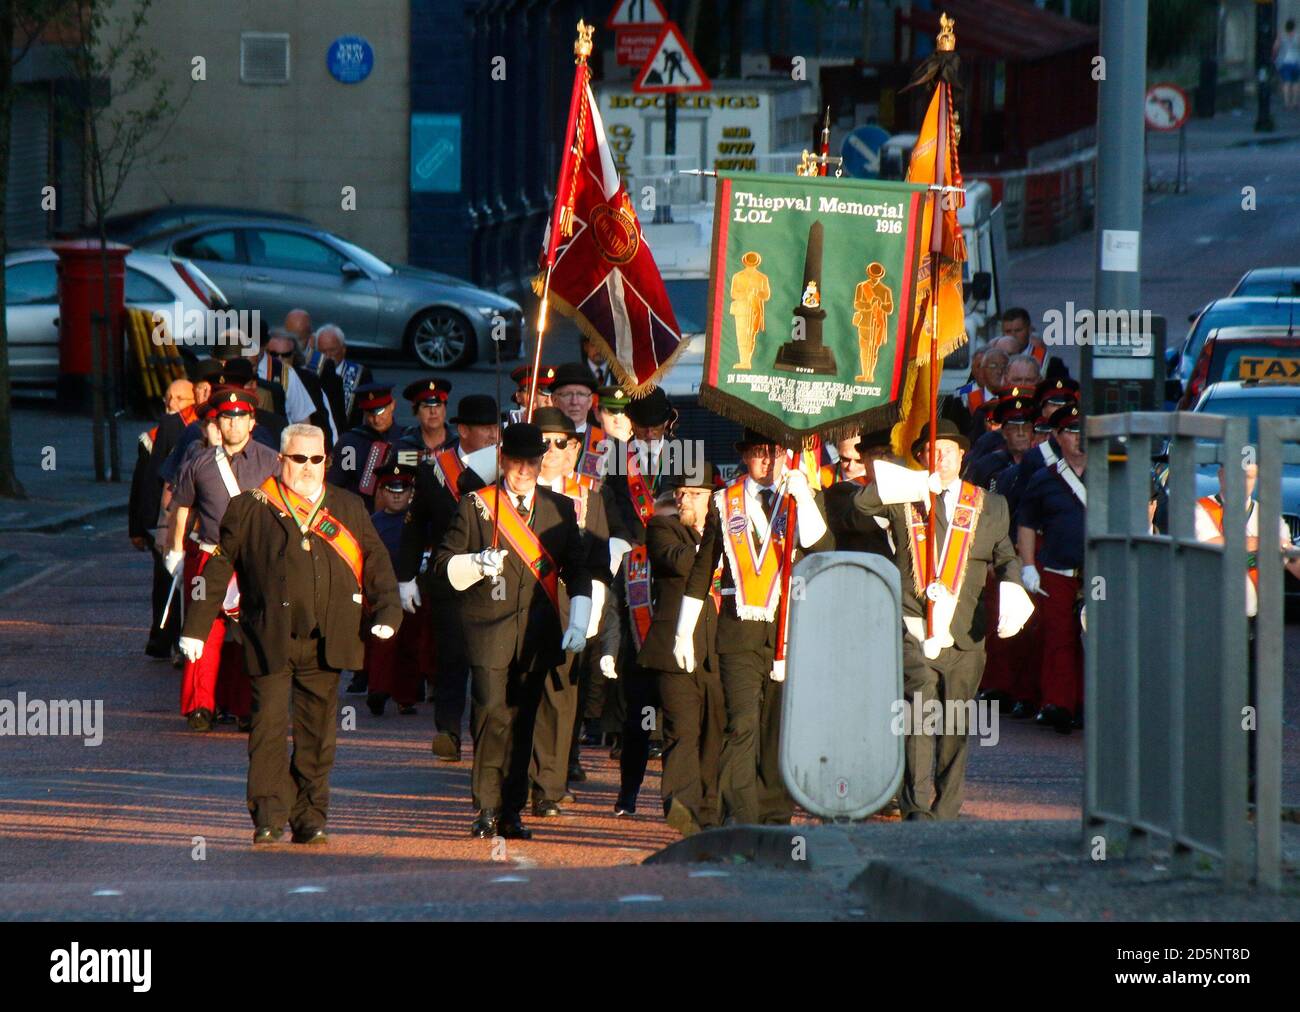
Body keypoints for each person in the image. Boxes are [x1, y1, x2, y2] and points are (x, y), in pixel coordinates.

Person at [179, 423, 401, 846]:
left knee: (318, 738)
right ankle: (267, 815)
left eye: (317, 459)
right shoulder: (250, 506)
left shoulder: (349, 505)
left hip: (327, 638)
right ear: (281, 460)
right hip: (270, 636)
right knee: (267, 730)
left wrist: (388, 609)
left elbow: (375, 560)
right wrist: (196, 626)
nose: (308, 467)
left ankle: (309, 817)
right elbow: (220, 566)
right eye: (299, 458)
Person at [850, 419, 1030, 819]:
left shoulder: (989, 504)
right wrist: (913, 486)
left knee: (954, 724)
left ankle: (946, 810)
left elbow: (1005, 555)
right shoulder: (906, 498)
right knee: (916, 718)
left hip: (966, 633)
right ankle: (916, 808)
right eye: (931, 451)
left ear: (962, 456)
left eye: (947, 450)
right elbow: (861, 504)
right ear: (922, 458)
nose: (940, 457)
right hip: (915, 627)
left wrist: (1015, 586)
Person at [436, 422, 596, 840]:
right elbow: (441, 565)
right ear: (502, 460)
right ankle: (486, 807)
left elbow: (578, 571)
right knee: (492, 715)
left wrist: (579, 620)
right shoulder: (476, 506)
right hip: (488, 630)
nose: (523, 470)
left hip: (539, 634)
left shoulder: (561, 509)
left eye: (531, 462)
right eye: (515, 461)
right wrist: (474, 564)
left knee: (524, 722)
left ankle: (512, 810)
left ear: (540, 463)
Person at [674, 429, 835, 826]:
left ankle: (775, 814)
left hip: (788, 629)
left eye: (773, 454)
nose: (767, 462)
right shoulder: (723, 502)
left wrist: (805, 498)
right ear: (745, 456)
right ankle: (741, 817)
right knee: (742, 722)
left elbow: (823, 546)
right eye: (758, 454)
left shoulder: (798, 497)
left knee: (776, 729)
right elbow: (702, 568)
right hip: (738, 630)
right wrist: (683, 629)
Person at [166, 388, 282, 732]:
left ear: (252, 422)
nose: (233, 424)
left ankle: (248, 706)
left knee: (253, 633)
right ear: (218, 423)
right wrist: (174, 550)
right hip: (210, 556)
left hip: (254, 560)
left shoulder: (272, 461)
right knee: (203, 632)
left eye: (240, 417)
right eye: (226, 418)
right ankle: (200, 706)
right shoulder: (198, 463)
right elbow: (182, 509)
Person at [396, 394, 501, 761]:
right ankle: (448, 732)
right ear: (464, 430)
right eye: (485, 428)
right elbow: (414, 526)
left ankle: (483, 735)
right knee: (451, 659)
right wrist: (405, 576)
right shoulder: (435, 469)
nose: (492, 435)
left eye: (495, 427)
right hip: (449, 579)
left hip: (493, 580)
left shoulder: (507, 467)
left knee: (487, 664)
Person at [527, 407, 613, 815]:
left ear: (574, 447)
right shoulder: (511, 492)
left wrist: (589, 614)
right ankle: (518, 778)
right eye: (541, 442)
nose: (550, 451)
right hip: (521, 608)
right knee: (516, 697)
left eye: (559, 443)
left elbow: (598, 560)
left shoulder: (589, 497)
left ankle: (550, 785)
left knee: (561, 701)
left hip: (568, 608)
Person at [636, 463, 725, 836]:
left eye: (694, 494)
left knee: (716, 730)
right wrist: (718, 544)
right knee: (681, 728)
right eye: (681, 492)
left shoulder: (730, 530)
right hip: (675, 648)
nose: (684, 499)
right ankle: (680, 804)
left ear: (712, 499)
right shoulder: (663, 527)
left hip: (721, 647)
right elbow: (677, 562)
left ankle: (709, 806)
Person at [1017, 404, 1086, 733]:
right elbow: (1027, 524)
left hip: (1099, 573)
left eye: (1084, 430)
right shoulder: (1044, 478)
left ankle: (1089, 704)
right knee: (1058, 638)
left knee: (1095, 640)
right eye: (1071, 431)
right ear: (1057, 437)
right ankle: (1058, 703)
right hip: (1057, 569)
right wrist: (1029, 565)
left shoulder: (1111, 473)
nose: (1079, 437)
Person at [130, 378, 196, 659]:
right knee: (163, 580)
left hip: (180, 517)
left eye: (179, 399)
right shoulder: (154, 435)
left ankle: (176, 637)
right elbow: (141, 482)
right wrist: (136, 527)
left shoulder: (189, 431)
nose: (171, 404)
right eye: (168, 398)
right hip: (158, 522)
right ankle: (161, 637)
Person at [364, 462, 425, 716]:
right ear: (381, 491)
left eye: (403, 489)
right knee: (381, 640)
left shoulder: (421, 522)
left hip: (413, 589)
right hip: (383, 590)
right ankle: (377, 690)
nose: (397, 494)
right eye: (391, 489)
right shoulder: (372, 523)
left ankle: (406, 697)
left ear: (411, 491)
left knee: (411, 643)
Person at [823, 428, 896, 558]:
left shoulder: (910, 487)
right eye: (876, 454)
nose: (883, 459)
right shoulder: (840, 490)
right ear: (865, 457)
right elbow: (858, 519)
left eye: (888, 453)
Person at [327, 383, 398, 513]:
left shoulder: (407, 439)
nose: (376, 419)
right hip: (361, 512)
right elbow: (335, 484)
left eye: (381, 411)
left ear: (393, 405)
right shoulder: (350, 442)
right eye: (370, 413)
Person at [309, 322, 373, 430]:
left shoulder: (361, 374)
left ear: (343, 349)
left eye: (332, 350)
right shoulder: (310, 374)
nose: (328, 356)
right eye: (323, 351)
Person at [396, 377, 454, 463]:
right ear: (415, 412)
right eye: (426, 406)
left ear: (445, 409)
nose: (433, 412)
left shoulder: (459, 444)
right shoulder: (405, 448)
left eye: (438, 406)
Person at [1274, 19, 1300, 111]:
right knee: (1296, 82)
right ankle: (1295, 102)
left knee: (1286, 83)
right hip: (1296, 61)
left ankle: (1287, 103)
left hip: (1284, 61)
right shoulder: (1298, 36)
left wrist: (1274, 57)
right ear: (1294, 27)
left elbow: (1276, 47)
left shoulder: (1282, 36)